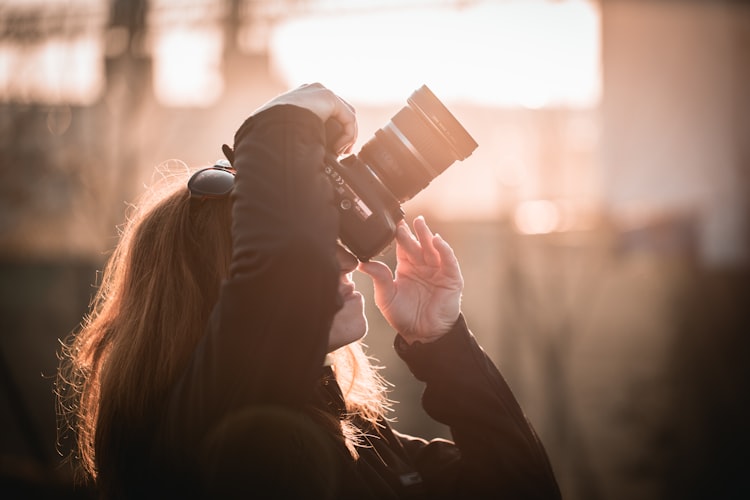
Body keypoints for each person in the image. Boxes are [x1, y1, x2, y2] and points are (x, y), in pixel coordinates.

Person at [56, 83, 561, 499]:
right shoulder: (183, 440)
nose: (341, 259)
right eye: (317, 244)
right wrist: (279, 127)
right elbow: (279, 282)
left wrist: (443, 344)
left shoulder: (361, 438)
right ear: (217, 294)